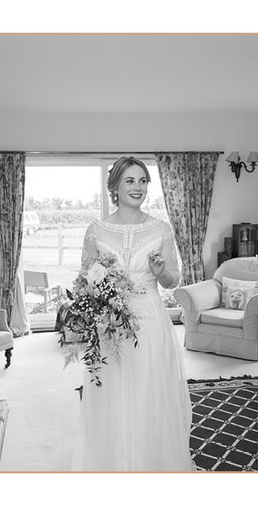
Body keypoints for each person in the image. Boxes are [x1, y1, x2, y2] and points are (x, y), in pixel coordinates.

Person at [72, 157, 196, 471]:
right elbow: (85, 279)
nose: (137, 187)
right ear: (114, 186)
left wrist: (161, 271)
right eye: (130, 181)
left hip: (151, 324)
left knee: (151, 396)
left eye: (142, 181)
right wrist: (97, 300)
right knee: (111, 398)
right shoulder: (96, 231)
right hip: (110, 329)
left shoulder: (161, 229)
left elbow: (173, 280)